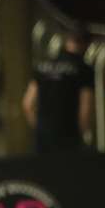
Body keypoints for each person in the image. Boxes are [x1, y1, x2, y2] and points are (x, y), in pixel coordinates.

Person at [22, 25, 94, 154]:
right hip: (69, 134)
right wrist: (82, 134)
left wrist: (40, 127)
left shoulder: (42, 66)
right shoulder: (84, 69)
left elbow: (27, 104)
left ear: (67, 41)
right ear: (86, 45)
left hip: (43, 135)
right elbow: (85, 108)